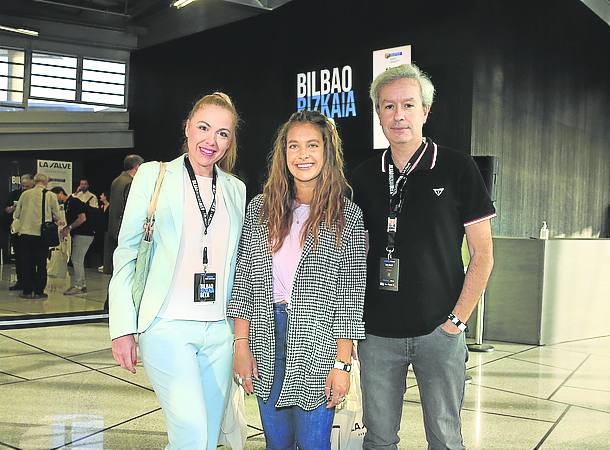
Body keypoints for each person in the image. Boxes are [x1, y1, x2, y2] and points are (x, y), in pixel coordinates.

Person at [351, 63, 496, 450]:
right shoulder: (364, 176)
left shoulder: (458, 168)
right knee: (379, 439)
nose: (398, 115)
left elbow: (483, 255)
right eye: (388, 106)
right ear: (378, 113)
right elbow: (356, 256)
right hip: (378, 335)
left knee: (446, 439)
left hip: (439, 332)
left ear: (425, 112)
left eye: (408, 105)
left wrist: (456, 321)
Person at [109, 92, 246, 450]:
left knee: (208, 436)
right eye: (203, 127)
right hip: (166, 325)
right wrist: (123, 327)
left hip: (219, 330)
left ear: (231, 140)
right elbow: (127, 253)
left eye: (222, 133)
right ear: (187, 127)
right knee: (192, 437)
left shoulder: (235, 189)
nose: (211, 140)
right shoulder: (155, 176)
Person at [228, 110, 366, 450]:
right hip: (264, 337)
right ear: (283, 153)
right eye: (293, 146)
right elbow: (244, 280)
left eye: (312, 145)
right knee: (276, 443)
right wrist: (240, 345)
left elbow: (350, 298)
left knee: (313, 443)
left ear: (327, 152)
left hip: (318, 343)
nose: (302, 155)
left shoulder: (347, 215)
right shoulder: (261, 208)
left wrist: (342, 364)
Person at [12, 173, 61, 299]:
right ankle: (39, 291)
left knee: (27, 263)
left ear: (34, 182)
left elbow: (16, 214)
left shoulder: (25, 194)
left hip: (25, 234)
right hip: (42, 235)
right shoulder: (50, 195)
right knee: (41, 263)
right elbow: (57, 216)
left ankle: (27, 291)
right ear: (46, 183)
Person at [106, 154, 144, 274]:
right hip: (126, 231)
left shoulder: (117, 180)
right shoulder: (131, 183)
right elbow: (131, 209)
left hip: (114, 229)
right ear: (137, 167)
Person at [54, 187, 95, 295]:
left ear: (60, 193)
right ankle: (82, 284)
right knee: (77, 259)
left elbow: (82, 218)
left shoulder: (73, 202)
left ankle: (79, 286)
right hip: (80, 234)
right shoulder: (68, 204)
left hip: (84, 234)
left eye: (55, 196)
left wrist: (69, 228)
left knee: (76, 259)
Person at [3, 174, 34, 291]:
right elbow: (6, 209)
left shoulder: (36, 195)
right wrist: (13, 208)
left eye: (28, 186)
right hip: (17, 230)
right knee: (19, 257)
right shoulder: (14, 194)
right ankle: (21, 282)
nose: (25, 188)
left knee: (31, 258)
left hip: (32, 230)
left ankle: (31, 282)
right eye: (23, 185)